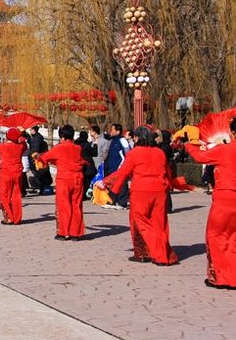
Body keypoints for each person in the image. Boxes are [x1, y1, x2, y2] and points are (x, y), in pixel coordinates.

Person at [100, 126, 178, 266]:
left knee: (140, 222)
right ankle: (162, 252)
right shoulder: (159, 152)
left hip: (141, 190)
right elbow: (167, 172)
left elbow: (123, 172)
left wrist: (106, 182)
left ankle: (146, 253)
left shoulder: (135, 153)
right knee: (159, 223)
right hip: (160, 190)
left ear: (137, 138)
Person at [183, 120, 236, 289]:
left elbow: (200, 157)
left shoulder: (224, 150)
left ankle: (221, 277)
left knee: (216, 236)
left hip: (226, 198)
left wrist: (190, 143)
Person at [37, 125, 87, 240]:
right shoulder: (77, 148)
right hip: (78, 178)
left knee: (63, 205)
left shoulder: (59, 148)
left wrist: (38, 156)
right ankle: (76, 233)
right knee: (76, 205)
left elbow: (46, 157)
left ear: (62, 137)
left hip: (64, 179)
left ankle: (64, 232)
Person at [104, 123, 132, 209]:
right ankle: (112, 200)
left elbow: (127, 153)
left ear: (118, 131)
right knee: (113, 184)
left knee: (122, 185)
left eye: (113, 130)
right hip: (112, 166)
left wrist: (123, 165)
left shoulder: (122, 140)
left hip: (120, 166)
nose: (111, 131)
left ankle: (122, 202)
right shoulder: (113, 140)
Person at [27, 126, 51, 194]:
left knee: (38, 174)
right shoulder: (35, 137)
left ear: (34, 130)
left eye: (31, 129)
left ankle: (40, 188)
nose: (30, 131)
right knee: (37, 174)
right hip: (36, 158)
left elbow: (35, 149)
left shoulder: (37, 138)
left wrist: (32, 157)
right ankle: (39, 188)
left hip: (36, 159)